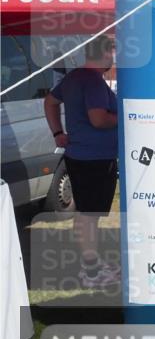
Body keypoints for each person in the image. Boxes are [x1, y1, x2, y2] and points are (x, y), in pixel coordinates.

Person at [43, 35, 120, 289]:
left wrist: (58, 133)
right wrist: (125, 117)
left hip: (80, 156)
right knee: (89, 215)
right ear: (105, 53)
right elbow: (98, 119)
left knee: (86, 213)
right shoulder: (93, 81)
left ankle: (93, 265)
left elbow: (50, 102)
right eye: (113, 52)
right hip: (94, 158)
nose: (115, 57)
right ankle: (91, 271)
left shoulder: (74, 77)